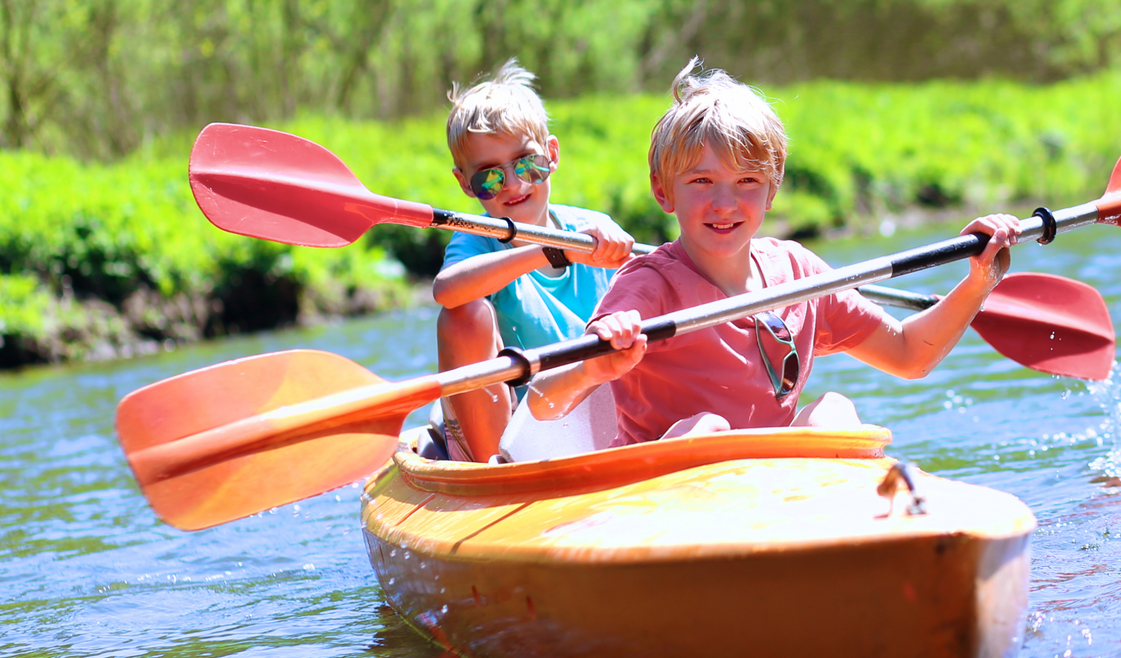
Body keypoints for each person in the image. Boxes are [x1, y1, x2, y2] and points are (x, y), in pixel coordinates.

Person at [528, 58, 1022, 446]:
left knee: (832, 411)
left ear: (773, 188)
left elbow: (910, 355)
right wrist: (596, 365)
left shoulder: (798, 272)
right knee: (707, 428)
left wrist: (979, 281)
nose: (725, 203)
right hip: (666, 494)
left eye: (747, 181)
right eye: (702, 181)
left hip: (773, 497)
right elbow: (545, 405)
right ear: (664, 192)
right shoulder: (646, 286)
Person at [431, 60, 634, 461]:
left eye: (527, 163)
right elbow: (446, 290)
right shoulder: (476, 240)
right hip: (509, 433)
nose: (514, 183)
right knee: (463, 314)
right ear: (464, 184)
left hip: (585, 416)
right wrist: (548, 249)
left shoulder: (594, 227)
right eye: (489, 177)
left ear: (552, 154)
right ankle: (494, 472)